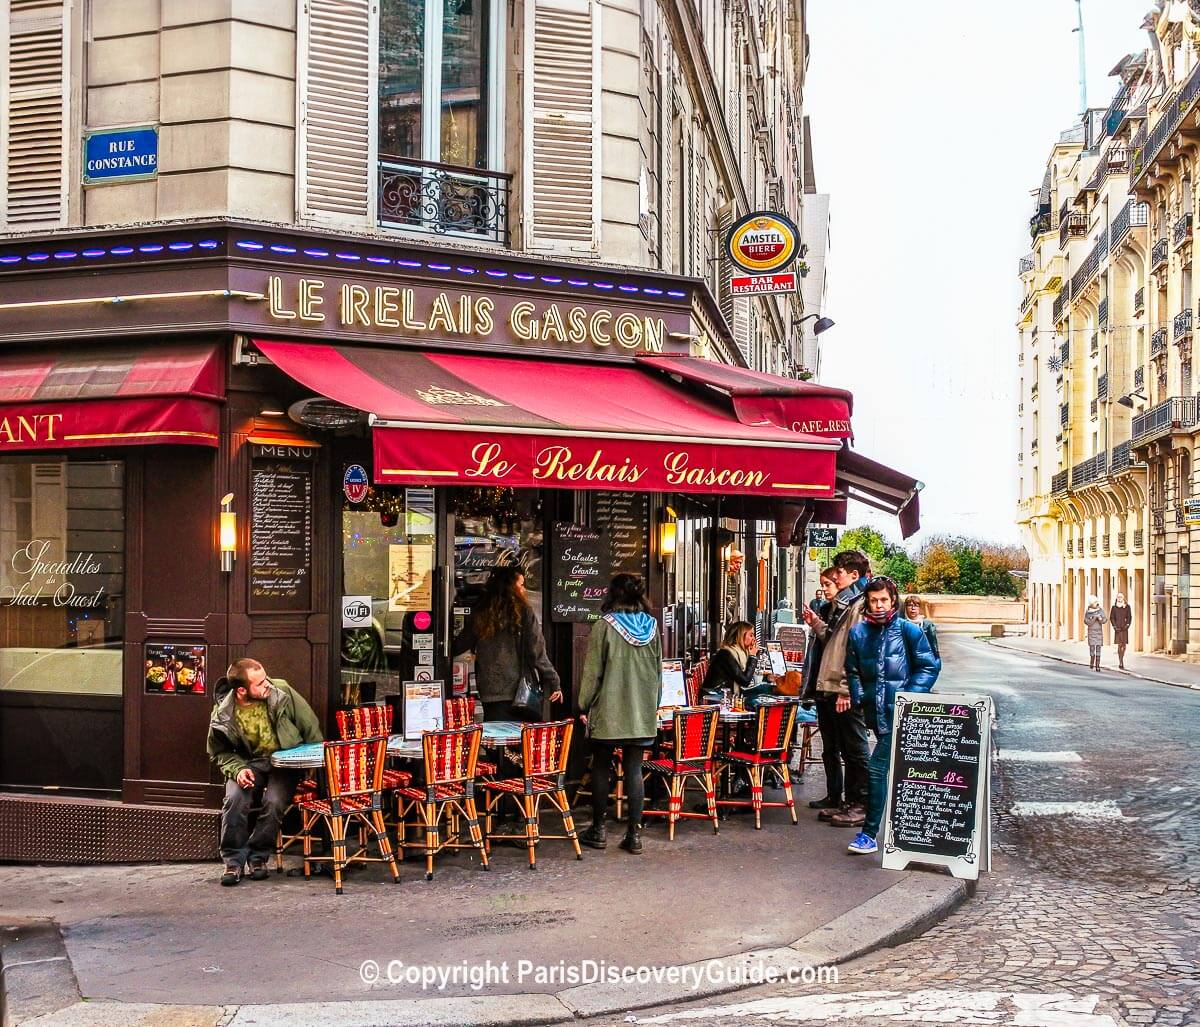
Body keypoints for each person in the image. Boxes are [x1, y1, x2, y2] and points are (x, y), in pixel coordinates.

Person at [845, 576, 941, 855]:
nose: (878, 605)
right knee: (892, 771)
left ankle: (869, 834)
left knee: (877, 769)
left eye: (883, 600)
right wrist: (859, 696)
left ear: (893, 600)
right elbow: (852, 670)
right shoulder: (858, 633)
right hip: (875, 715)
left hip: (902, 713)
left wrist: (907, 698)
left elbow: (929, 666)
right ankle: (906, 832)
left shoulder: (909, 631)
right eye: (873, 600)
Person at [207, 658, 323, 886]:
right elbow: (219, 753)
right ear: (242, 690)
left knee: (274, 801)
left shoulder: (281, 690)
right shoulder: (223, 714)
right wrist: (238, 770)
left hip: (284, 762)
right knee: (234, 799)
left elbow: (310, 726)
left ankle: (258, 857)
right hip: (248, 763)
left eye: (265, 679)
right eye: (259, 684)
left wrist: (313, 762)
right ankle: (233, 861)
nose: (266, 685)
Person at [577, 573, 662, 855]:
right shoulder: (652, 627)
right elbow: (659, 674)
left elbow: (592, 673)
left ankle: (598, 829)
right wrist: (653, 706)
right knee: (634, 769)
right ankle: (634, 835)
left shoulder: (604, 626)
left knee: (601, 765)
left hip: (609, 709)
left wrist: (584, 704)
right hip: (642, 711)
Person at [800, 549, 872, 828]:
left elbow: (853, 651)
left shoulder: (858, 605)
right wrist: (816, 623)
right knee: (839, 745)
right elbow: (834, 641)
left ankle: (860, 804)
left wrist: (844, 689)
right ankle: (845, 801)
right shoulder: (846, 603)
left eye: (839, 572)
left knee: (855, 749)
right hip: (830, 686)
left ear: (853, 575)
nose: (835, 575)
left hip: (844, 689)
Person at [453, 565, 562, 720]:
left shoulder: (481, 612)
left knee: (496, 739)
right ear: (511, 588)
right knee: (522, 740)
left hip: (489, 690)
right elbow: (536, 651)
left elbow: (460, 645)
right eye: (521, 585)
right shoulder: (524, 612)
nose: (524, 590)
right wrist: (554, 680)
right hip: (519, 691)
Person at [701, 621, 761, 704]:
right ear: (740, 637)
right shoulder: (726, 655)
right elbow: (745, 681)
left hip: (727, 694)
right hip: (716, 696)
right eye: (751, 635)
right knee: (757, 701)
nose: (754, 639)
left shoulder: (739, 653)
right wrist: (753, 657)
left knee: (763, 690)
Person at [902, 595, 939, 661]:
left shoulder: (927, 625)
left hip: (924, 659)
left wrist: (936, 661)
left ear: (919, 608)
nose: (913, 608)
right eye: (910, 605)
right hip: (906, 661)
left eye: (916, 605)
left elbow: (933, 646)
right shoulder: (901, 624)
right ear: (905, 607)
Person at [1109, 593, 1132, 670]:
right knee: (1119, 645)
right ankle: (1121, 662)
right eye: (1118, 597)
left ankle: (1122, 658)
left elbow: (1129, 617)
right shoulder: (1114, 607)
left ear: (1123, 598)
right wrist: (1114, 626)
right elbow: (1111, 618)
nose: (1119, 598)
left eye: (1121, 597)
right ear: (1116, 598)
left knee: (1124, 646)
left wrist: (1128, 625)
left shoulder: (1127, 607)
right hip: (1118, 629)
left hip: (1124, 629)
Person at [723, 549, 746, 625]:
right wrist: (728, 616)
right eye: (736, 562)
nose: (739, 565)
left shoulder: (732, 577)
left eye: (740, 563)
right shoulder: (724, 576)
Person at [1084, 595, 1107, 672]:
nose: (1096, 604)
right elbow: (1087, 622)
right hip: (1091, 632)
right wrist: (1094, 618)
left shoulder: (1100, 610)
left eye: (1097, 602)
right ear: (1091, 603)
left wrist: (1100, 619)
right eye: (1094, 602)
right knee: (1092, 647)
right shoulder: (1088, 612)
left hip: (1099, 632)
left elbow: (1104, 620)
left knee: (1098, 648)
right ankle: (1092, 661)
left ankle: (1097, 665)